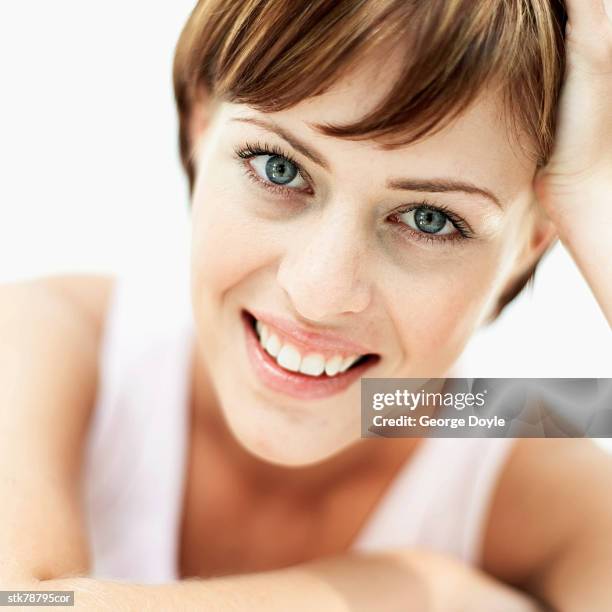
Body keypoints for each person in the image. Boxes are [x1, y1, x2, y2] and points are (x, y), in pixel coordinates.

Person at [1, 0, 611, 610]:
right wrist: (405, 594)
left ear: (535, 241)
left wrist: (594, 195)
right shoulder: (48, 335)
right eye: (279, 168)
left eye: (430, 219)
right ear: (199, 121)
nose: (320, 293)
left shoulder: (516, 441)